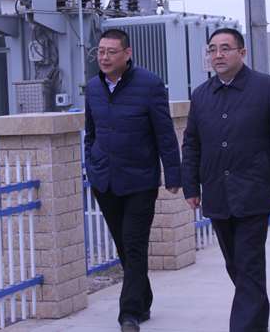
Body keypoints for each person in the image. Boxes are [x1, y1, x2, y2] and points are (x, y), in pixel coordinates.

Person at [181, 27, 270, 332]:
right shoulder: (201, 95)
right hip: (217, 191)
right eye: (212, 49)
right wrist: (191, 186)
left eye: (225, 48)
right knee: (236, 265)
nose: (218, 55)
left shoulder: (266, 88)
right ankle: (257, 317)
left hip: (255, 191)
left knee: (248, 263)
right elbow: (191, 143)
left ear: (242, 53)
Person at [84, 28, 182, 332]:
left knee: (134, 244)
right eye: (100, 51)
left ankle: (128, 314)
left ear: (127, 54)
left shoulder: (150, 85)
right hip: (105, 181)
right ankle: (143, 299)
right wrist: (92, 164)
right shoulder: (93, 88)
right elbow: (91, 132)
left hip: (140, 181)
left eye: (111, 52)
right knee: (124, 247)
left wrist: (173, 174)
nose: (104, 57)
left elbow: (164, 133)